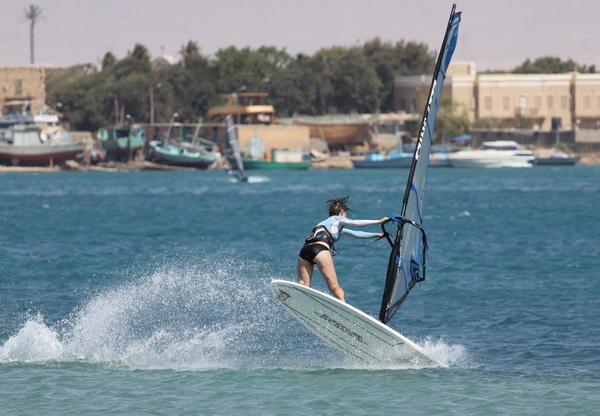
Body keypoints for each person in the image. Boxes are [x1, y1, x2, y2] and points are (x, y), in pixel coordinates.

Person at [297, 196, 389, 302]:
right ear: (342, 211)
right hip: (320, 250)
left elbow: (356, 234)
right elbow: (355, 223)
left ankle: (298, 299)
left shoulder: (326, 225)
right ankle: (343, 305)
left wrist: (378, 234)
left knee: (303, 284)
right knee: (334, 286)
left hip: (304, 251)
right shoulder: (337, 219)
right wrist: (378, 221)